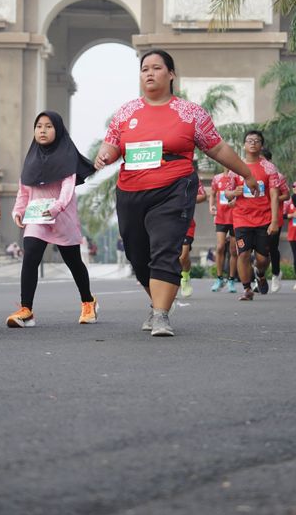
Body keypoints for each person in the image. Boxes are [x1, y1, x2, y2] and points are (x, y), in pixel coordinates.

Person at [94, 49, 258, 336]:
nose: (149, 73)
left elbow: (218, 147)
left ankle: (161, 315)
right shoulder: (126, 112)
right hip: (131, 189)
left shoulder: (190, 113)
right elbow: (112, 144)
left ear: (171, 74)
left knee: (166, 247)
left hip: (174, 186)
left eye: (156, 68)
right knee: (137, 254)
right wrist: (104, 155)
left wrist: (246, 173)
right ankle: (158, 302)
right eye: (144, 68)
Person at [6, 111, 98, 328]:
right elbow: (24, 189)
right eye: (39, 126)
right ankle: (26, 310)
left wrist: (57, 207)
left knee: (73, 262)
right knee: (30, 257)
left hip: (62, 217)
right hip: (37, 217)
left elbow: (67, 188)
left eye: (48, 126)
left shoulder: (67, 156)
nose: (43, 131)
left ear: (58, 129)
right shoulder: (31, 157)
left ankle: (88, 301)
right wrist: (18, 210)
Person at [225, 130, 280, 301]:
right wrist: (234, 192)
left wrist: (274, 221)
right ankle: (247, 288)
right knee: (243, 254)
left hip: (263, 218)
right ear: (244, 145)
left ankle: (260, 273)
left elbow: (274, 195)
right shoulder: (236, 167)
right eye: (249, 140)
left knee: (262, 259)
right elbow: (227, 193)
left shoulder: (269, 168)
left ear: (261, 145)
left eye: (257, 141)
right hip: (242, 218)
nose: (253, 143)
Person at [261, 148, 290, 293]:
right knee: (259, 250)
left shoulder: (278, 176)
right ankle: (260, 277)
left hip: (274, 218)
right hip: (257, 217)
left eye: (264, 160)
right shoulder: (250, 174)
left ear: (269, 161)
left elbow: (287, 195)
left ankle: (275, 274)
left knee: (272, 248)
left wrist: (274, 198)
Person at [209, 168, 237, 293]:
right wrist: (211, 206)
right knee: (220, 247)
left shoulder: (237, 177)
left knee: (233, 250)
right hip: (221, 217)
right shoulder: (217, 178)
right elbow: (212, 194)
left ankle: (231, 280)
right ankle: (219, 278)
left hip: (235, 218)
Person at [179, 178, 207, 298]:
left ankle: (185, 277)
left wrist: (186, 200)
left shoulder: (190, 176)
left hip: (186, 222)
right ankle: (171, 283)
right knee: (170, 256)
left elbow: (203, 196)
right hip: (167, 222)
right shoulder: (164, 174)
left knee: (183, 256)